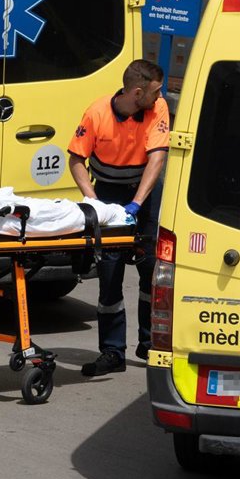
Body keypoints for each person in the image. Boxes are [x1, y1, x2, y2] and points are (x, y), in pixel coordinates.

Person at [68, 59, 169, 376]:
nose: (161, 95)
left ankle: (150, 343)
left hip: (143, 194)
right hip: (108, 194)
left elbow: (157, 159)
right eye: (155, 91)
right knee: (110, 274)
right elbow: (76, 160)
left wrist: (137, 204)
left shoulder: (158, 108)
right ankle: (112, 352)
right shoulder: (97, 113)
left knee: (151, 270)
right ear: (137, 92)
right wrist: (95, 202)